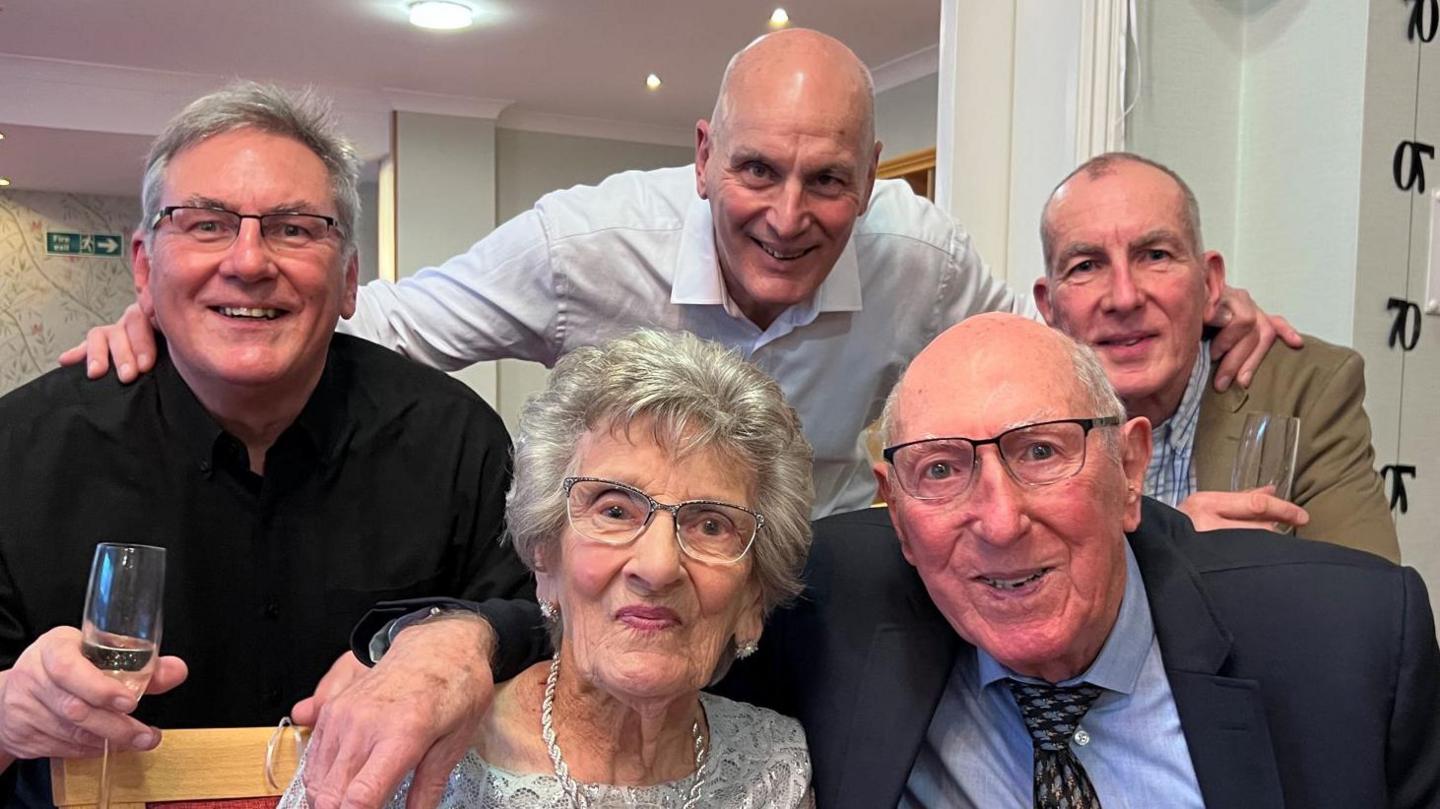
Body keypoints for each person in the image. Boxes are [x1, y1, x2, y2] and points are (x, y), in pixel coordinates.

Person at [64, 29, 1295, 523]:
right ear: (703, 157)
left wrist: (1187, 321)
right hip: (624, 574)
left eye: (828, 182)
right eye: (757, 170)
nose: (786, 215)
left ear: (872, 182)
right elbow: (371, 315)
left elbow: (1038, 387)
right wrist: (192, 308)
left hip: (818, 577)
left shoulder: (926, 263)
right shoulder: (576, 244)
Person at [0, 83, 530, 805]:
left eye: (294, 228)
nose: (249, 261)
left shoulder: (456, 441)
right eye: (206, 223)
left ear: (348, 279)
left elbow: (552, 637)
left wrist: (476, 635)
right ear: (144, 267)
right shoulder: (19, 453)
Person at [723, 313, 1437, 807]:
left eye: (1042, 451)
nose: (1000, 521)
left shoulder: (1352, 649)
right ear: (899, 514)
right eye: (941, 470)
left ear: (1130, 470)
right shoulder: (821, 609)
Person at [282, 330, 816, 808]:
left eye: (711, 526)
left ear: (752, 600)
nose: (657, 567)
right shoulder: (412, 744)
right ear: (544, 557)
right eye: (614, 510)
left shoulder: (778, 767)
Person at [1033, 152, 1399, 560]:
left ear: (1210, 284)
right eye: (1086, 266)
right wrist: (1172, 548)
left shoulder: (1308, 391)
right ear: (1049, 307)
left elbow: (1368, 602)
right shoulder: (1014, 420)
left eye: (1155, 256)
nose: (1125, 297)